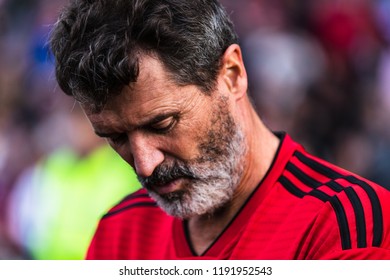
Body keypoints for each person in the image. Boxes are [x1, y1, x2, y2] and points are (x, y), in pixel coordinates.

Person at [49, 0, 390, 259]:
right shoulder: (121, 233)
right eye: (116, 138)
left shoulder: (349, 225)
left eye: (162, 123)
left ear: (232, 74)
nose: (144, 164)